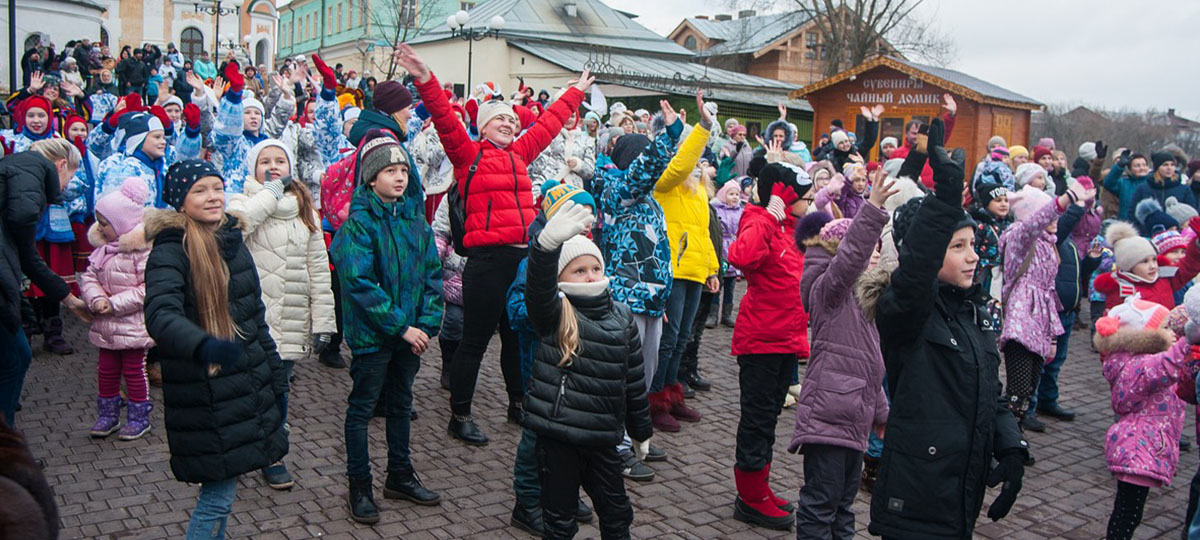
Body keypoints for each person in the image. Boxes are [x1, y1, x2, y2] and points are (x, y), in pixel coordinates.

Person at [393, 43, 591, 445]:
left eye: (511, 121)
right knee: (476, 340)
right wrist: (424, 75)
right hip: (485, 262)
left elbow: (550, 123)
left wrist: (576, 93)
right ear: (482, 128)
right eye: (499, 119)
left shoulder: (521, 154)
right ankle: (460, 414)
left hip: (521, 259)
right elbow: (445, 118)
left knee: (516, 336)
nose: (508, 125)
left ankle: (517, 403)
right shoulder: (467, 155)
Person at [866, 118, 1029, 539]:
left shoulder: (971, 313)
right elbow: (915, 273)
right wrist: (944, 198)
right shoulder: (908, 313)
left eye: (972, 245)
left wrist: (1010, 445)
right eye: (957, 247)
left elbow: (988, 391)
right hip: (916, 502)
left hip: (959, 497)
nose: (972, 257)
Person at [142, 160, 288, 539]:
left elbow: (255, 316)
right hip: (207, 391)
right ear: (180, 200)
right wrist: (204, 345)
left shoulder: (232, 241)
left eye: (217, 188)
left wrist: (274, 372)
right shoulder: (171, 251)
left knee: (225, 488)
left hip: (247, 385)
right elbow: (160, 315)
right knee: (218, 496)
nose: (213, 198)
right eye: (200, 190)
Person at [330, 130, 444, 524]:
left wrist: (426, 325)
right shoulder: (358, 226)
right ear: (371, 178)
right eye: (391, 171)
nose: (400, 177)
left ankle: (399, 474)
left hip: (410, 336)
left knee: (401, 404)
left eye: (403, 170)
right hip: (374, 338)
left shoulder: (415, 221)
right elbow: (359, 283)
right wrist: (401, 327)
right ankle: (359, 484)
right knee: (362, 410)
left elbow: (433, 275)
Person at [522, 201, 654, 539]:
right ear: (562, 278)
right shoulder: (555, 313)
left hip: (603, 439)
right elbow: (537, 290)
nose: (590, 276)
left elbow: (633, 383)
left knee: (617, 513)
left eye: (594, 268)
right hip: (559, 437)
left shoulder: (621, 316)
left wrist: (640, 431)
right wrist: (545, 248)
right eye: (578, 271)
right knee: (560, 518)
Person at [789, 169, 894, 539]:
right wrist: (874, 208)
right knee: (820, 505)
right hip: (828, 421)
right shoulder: (828, 293)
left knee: (843, 508)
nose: (875, 253)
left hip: (854, 423)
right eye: (871, 248)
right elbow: (850, 257)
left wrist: (881, 413)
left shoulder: (862, 304)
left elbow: (869, 364)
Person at [227, 139, 335, 490]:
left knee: (278, 391)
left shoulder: (306, 211)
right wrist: (270, 193)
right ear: (252, 169)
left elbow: (319, 270)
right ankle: (235, 452)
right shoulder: (242, 202)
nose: (273, 167)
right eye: (265, 162)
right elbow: (236, 231)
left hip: (288, 321)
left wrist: (324, 322)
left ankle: (273, 454)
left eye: (280, 161)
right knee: (240, 391)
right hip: (248, 320)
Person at [726, 162, 813, 531]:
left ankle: (759, 486)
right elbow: (741, 257)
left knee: (770, 417)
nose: (810, 204)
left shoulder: (790, 229)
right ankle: (749, 497)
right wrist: (767, 214)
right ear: (784, 196)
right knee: (757, 420)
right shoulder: (758, 221)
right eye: (804, 199)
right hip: (761, 341)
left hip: (784, 341)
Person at [0, 139, 91, 426]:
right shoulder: (31, 170)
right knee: (14, 358)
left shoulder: (15, 172)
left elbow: (28, 255)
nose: (65, 187)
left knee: (19, 355)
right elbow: (22, 216)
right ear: (61, 165)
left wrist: (70, 299)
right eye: (71, 177)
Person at [648, 92, 718, 433]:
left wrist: (712, 268)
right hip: (672, 269)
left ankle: (673, 394)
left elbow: (704, 231)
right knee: (668, 336)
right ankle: (654, 398)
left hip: (694, 269)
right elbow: (679, 165)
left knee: (681, 336)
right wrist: (702, 127)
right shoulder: (665, 181)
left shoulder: (700, 187)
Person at [1095, 297, 1192, 540]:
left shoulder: (1135, 360)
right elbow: (1167, 365)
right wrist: (1188, 342)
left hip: (1143, 447)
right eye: (1165, 330)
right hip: (1139, 448)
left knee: (1129, 511)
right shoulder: (1140, 365)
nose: (1171, 334)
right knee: (1128, 513)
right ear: (1146, 336)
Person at [997, 184, 1084, 430]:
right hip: (1020, 323)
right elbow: (1033, 224)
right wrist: (1065, 200)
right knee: (1018, 389)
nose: (1055, 219)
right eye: (1049, 213)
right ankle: (1004, 439)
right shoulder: (1019, 237)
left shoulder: (1049, 243)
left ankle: (1016, 435)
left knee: (1029, 389)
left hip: (1039, 323)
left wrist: (1052, 338)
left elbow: (1050, 293)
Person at [79, 176, 154, 440]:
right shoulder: (104, 250)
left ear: (122, 224)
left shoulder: (141, 252)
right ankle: (108, 413)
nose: (99, 228)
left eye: (105, 223)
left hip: (132, 324)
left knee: (134, 370)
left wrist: (112, 304)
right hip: (106, 324)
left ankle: (139, 415)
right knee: (106, 369)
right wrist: (95, 298)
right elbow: (89, 277)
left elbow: (147, 290)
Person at [1094, 220, 1200, 310]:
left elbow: (1187, 267)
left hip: (1166, 333)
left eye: (1154, 259)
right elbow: (1114, 323)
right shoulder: (1120, 289)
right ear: (1129, 265)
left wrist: (1197, 244)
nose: (1152, 266)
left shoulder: (1164, 278)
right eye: (1144, 261)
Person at [710, 180, 744, 327]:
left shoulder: (741, 211)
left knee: (730, 286)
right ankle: (713, 314)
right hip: (721, 248)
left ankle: (727, 314)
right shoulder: (717, 209)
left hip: (734, 249)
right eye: (731, 194)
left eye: (737, 194)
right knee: (718, 284)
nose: (735, 197)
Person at [1104, 149, 1153, 221]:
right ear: (1130, 169)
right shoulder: (1124, 183)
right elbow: (1109, 183)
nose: (1142, 168)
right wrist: (1119, 166)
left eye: (1144, 165)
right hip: (1127, 224)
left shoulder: (1153, 182)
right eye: (1137, 166)